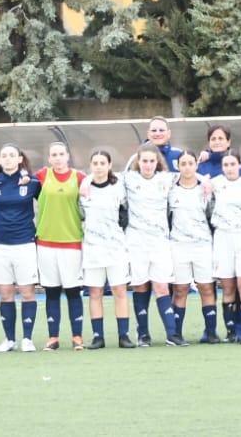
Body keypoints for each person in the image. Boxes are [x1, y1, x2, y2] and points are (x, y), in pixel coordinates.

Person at [122, 143, 185, 346]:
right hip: (136, 241)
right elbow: (104, 177)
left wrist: (205, 182)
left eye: (151, 161)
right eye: (144, 161)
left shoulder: (166, 179)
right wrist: (87, 182)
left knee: (161, 286)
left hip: (159, 241)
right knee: (140, 285)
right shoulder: (128, 179)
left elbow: (190, 176)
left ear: (157, 161)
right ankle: (143, 334)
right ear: (137, 163)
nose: (148, 165)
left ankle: (172, 334)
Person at [0, 144, 41, 352]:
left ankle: (27, 339)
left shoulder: (32, 182)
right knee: (6, 293)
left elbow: (47, 201)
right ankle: (9, 340)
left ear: (20, 159)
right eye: (4, 156)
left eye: (12, 155)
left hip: (24, 243)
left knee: (27, 292)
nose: (8, 159)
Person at [78, 149, 134, 349]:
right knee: (95, 292)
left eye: (103, 163)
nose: (99, 166)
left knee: (120, 290)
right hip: (93, 248)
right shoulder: (84, 189)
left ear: (110, 165)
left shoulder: (120, 185)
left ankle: (124, 336)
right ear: (90, 166)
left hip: (116, 247)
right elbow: (81, 214)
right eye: (95, 163)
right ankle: (97, 337)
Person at [35, 141, 87, 351]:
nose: (57, 158)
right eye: (53, 154)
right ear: (49, 158)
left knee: (73, 291)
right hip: (46, 242)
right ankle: (53, 338)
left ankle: (77, 337)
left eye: (61, 154)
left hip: (71, 242)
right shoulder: (40, 176)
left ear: (68, 156)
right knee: (52, 292)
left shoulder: (80, 178)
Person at [167, 151, 220, 343]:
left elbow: (212, 215)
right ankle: (176, 333)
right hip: (178, 245)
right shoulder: (171, 190)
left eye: (191, 163)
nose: (187, 167)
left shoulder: (206, 189)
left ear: (196, 165)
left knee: (206, 287)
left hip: (203, 245)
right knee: (180, 289)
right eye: (183, 163)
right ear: (178, 166)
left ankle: (211, 332)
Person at [208, 152, 241, 342]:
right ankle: (230, 331)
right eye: (226, 164)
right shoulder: (215, 183)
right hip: (223, 238)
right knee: (227, 288)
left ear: (239, 165)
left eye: (232, 164)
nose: (229, 168)